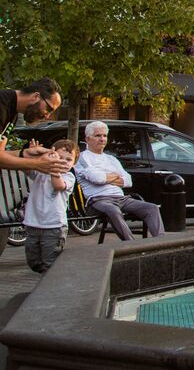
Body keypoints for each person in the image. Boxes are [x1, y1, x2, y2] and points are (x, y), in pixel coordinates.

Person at [74, 121, 163, 240]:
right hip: (98, 200)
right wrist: (116, 176)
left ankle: (161, 242)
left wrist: (106, 178)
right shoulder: (82, 157)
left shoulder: (111, 159)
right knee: (113, 210)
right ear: (88, 138)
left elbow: (128, 181)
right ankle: (131, 246)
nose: (102, 139)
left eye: (104, 135)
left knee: (152, 208)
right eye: (98, 135)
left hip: (121, 198)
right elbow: (98, 179)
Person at [22, 139, 77, 273]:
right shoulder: (40, 172)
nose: (63, 161)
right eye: (59, 157)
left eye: (68, 159)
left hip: (54, 227)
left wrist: (54, 168)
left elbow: (58, 185)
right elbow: (26, 168)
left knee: (50, 263)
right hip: (33, 225)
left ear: (74, 163)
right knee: (33, 262)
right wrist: (32, 157)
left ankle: (49, 286)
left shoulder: (68, 177)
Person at [0, 78, 67, 174]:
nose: (47, 115)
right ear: (36, 96)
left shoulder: (12, 111)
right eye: (49, 109)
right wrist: (37, 164)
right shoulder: (2, 104)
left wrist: (23, 153)